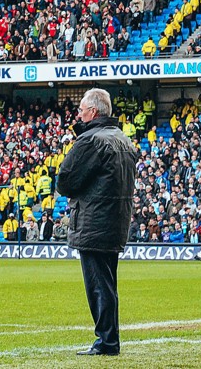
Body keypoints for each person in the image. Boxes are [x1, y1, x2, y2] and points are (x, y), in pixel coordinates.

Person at [57, 88, 139, 356]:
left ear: (92, 112)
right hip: (116, 220)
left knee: (98, 286)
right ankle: (109, 339)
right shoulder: (122, 140)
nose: (78, 114)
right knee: (107, 284)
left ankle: (106, 342)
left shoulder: (91, 140)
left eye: (81, 110)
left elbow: (66, 181)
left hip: (94, 221)